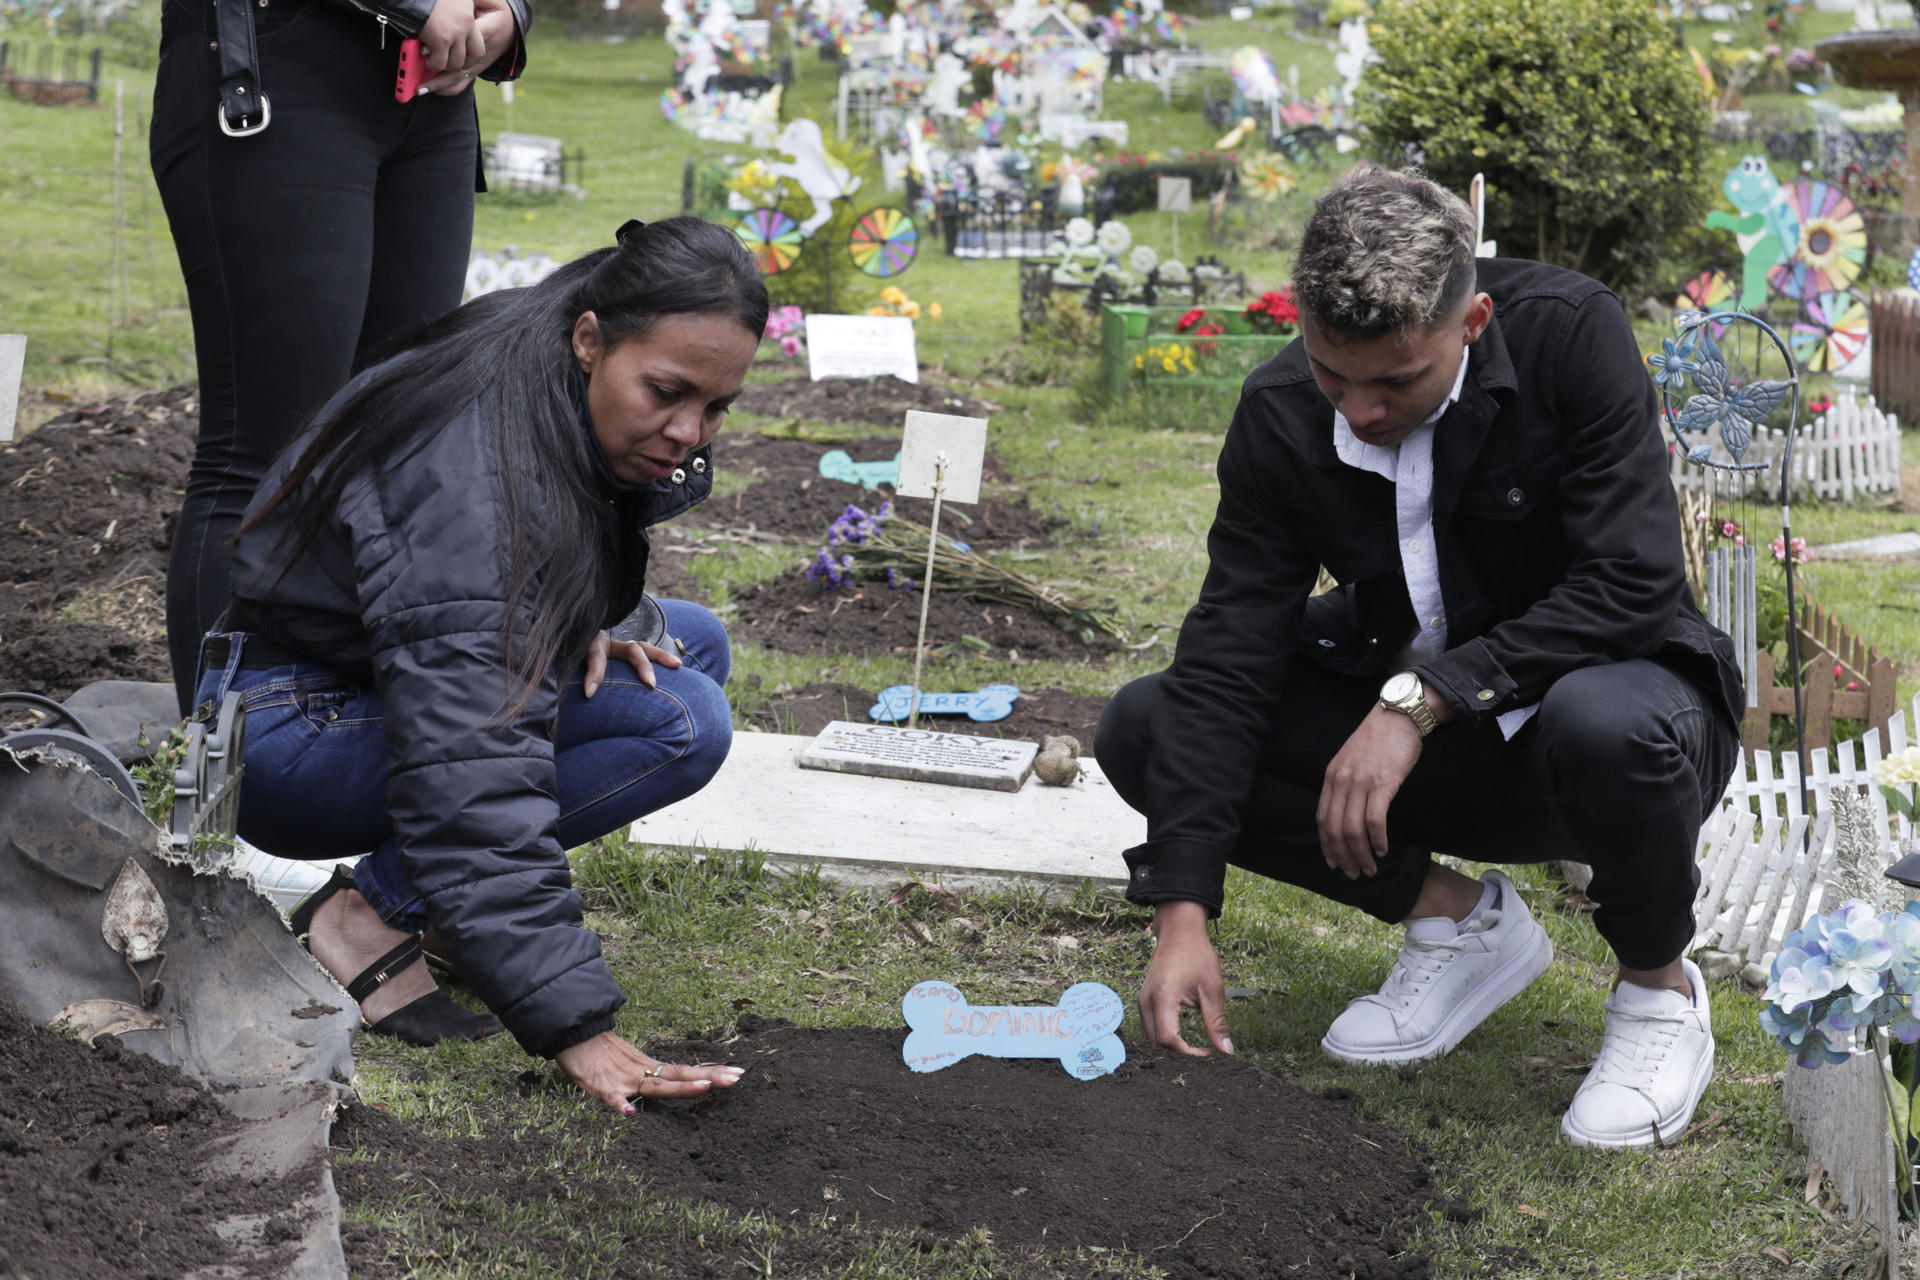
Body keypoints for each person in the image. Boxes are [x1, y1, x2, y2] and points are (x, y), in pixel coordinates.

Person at [1095, 168, 1744, 1149]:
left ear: (1473, 319)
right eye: (1331, 373)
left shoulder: (1571, 334)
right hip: (1451, 763)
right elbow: (1231, 650)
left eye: (1395, 379)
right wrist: (1182, 907)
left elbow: (1631, 580)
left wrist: (1420, 700)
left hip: (1617, 740)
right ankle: (1464, 922)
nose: (1358, 409)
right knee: (1148, 725)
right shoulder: (1280, 413)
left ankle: (1658, 993)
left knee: (1606, 722)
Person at [191, 218, 765, 1112]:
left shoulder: (537, 370)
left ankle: (435, 911)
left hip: (345, 676)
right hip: (280, 731)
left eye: (717, 407)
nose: (690, 433)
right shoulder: (473, 470)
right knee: (681, 720)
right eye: (667, 391)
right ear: (590, 340)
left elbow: (470, 617)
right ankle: (364, 917)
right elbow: (473, 763)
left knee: (692, 643)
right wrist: (577, 1025)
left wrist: (575, 622)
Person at [151, 0, 532, 717]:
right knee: (266, 455)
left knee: (395, 443)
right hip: (281, 70)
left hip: (434, 92)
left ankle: (336, 760)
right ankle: (222, 790)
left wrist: (508, 11)